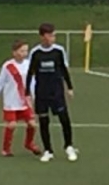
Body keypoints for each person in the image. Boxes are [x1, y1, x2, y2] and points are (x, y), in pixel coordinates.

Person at [25, 23, 78, 164]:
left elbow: (64, 70)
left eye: (54, 35)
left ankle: (69, 146)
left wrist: (69, 87)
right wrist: (27, 92)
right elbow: (30, 72)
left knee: (64, 119)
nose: (52, 38)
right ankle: (48, 150)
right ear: (42, 36)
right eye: (50, 35)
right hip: (41, 92)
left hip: (57, 92)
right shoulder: (35, 53)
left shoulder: (59, 51)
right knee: (44, 121)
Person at [0, 40, 41, 157]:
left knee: (32, 124)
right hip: (11, 102)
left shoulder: (29, 64)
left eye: (26, 51)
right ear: (14, 52)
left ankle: (29, 143)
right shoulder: (8, 66)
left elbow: (33, 82)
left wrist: (34, 96)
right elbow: (0, 82)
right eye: (22, 51)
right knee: (11, 125)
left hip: (25, 101)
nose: (24, 53)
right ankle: (6, 149)